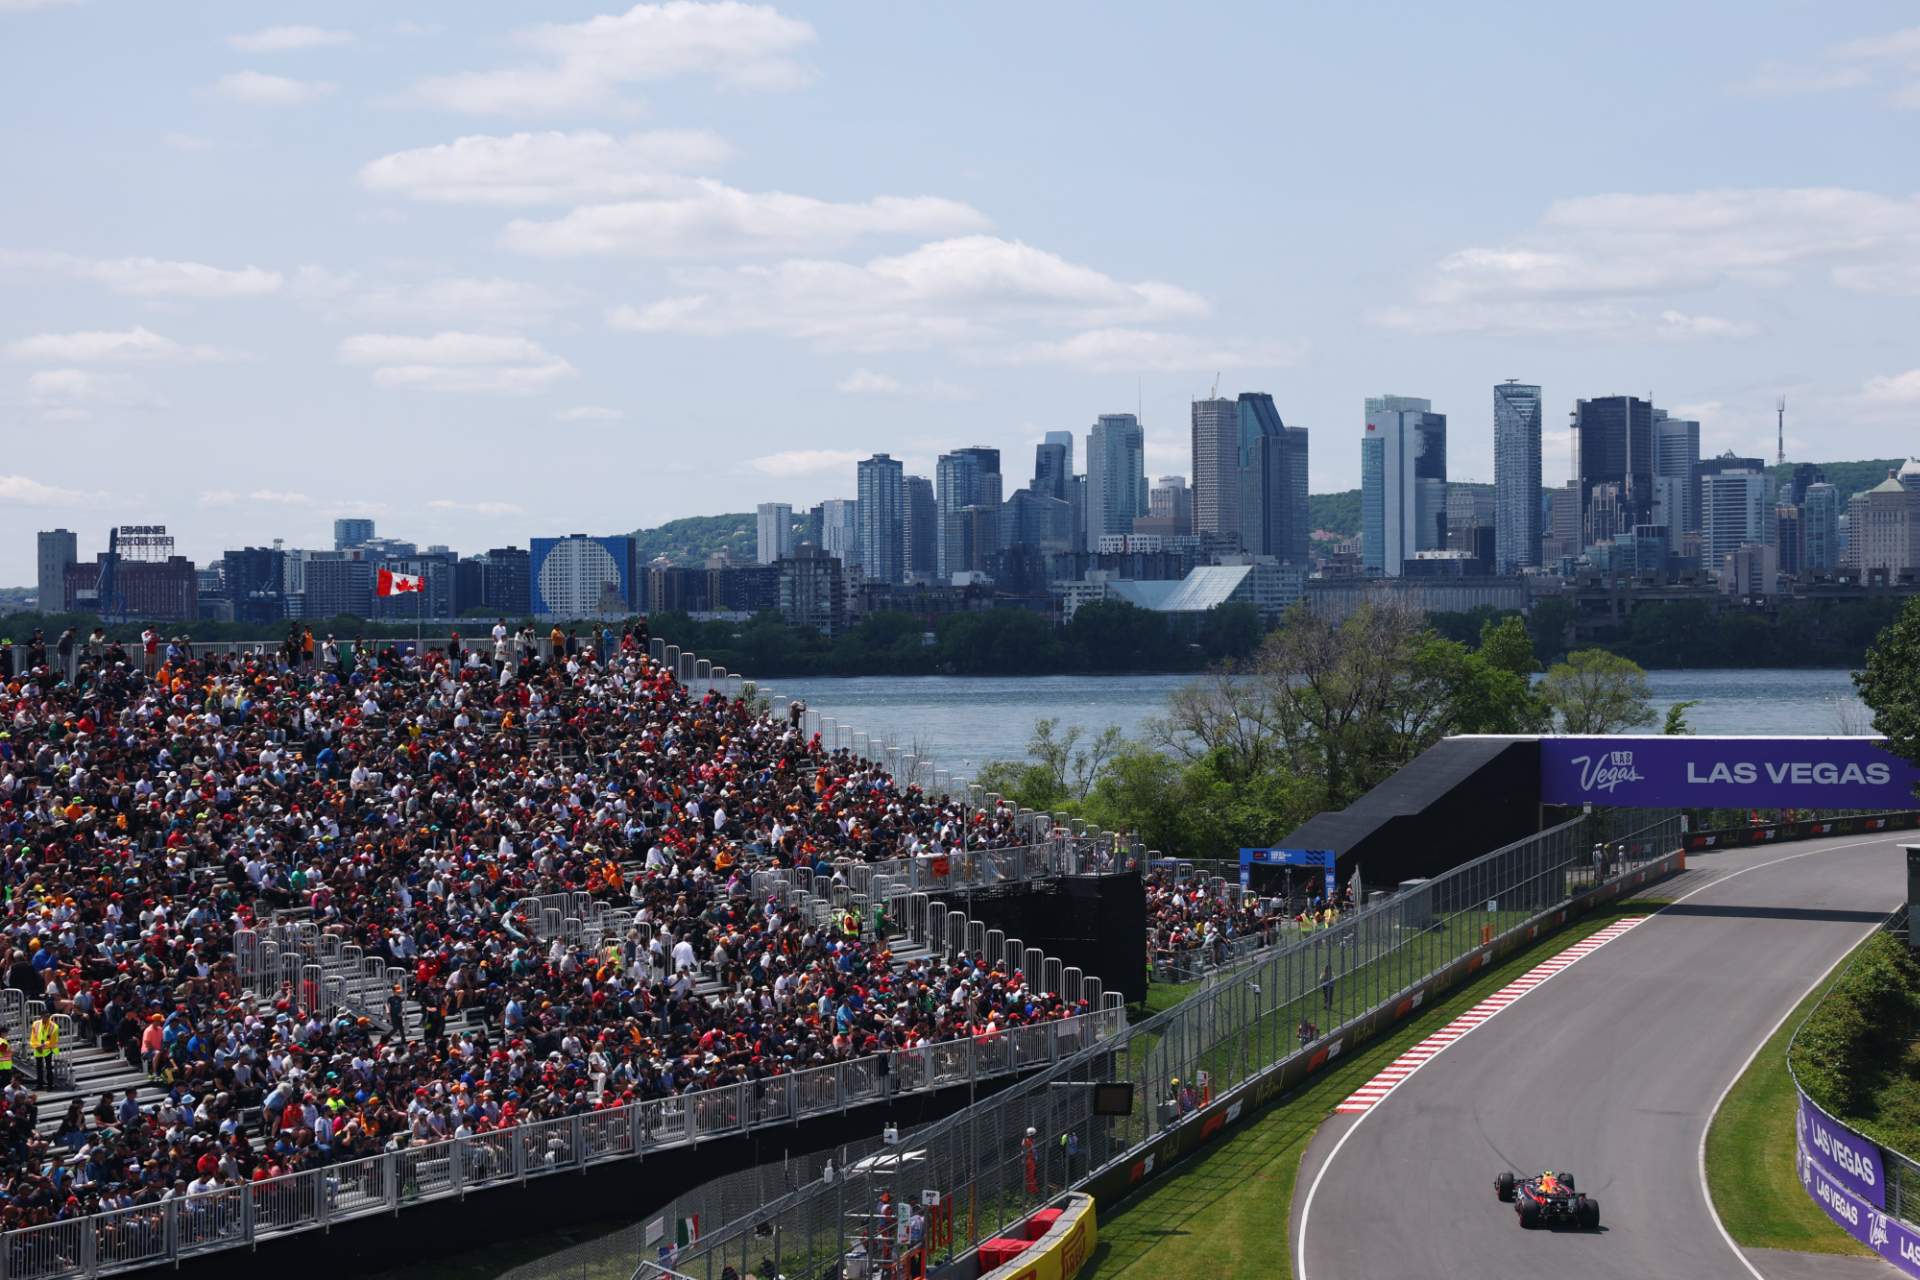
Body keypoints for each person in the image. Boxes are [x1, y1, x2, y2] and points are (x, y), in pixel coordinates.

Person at [29, 1012, 58, 1089]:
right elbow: (33, 1038)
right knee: (39, 1068)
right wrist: (36, 1046)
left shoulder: (54, 1026)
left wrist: (43, 1045)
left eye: (48, 1016)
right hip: (38, 1048)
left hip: (48, 1049)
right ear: (41, 1016)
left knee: (48, 1067)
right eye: (45, 1016)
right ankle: (39, 1085)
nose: (47, 1018)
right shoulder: (35, 1024)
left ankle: (50, 1085)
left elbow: (53, 1040)